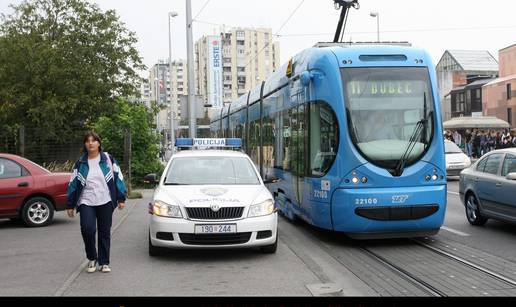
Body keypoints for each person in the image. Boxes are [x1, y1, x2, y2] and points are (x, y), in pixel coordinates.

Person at [66, 132, 127, 273]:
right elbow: (73, 183)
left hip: (105, 200)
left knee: (104, 232)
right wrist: (70, 204)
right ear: (85, 144)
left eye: (93, 140)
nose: (90, 143)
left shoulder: (108, 159)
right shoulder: (81, 163)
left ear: (99, 143)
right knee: (87, 229)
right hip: (86, 201)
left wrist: (121, 197)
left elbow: (118, 177)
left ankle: (104, 262)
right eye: (87, 141)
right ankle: (92, 257)